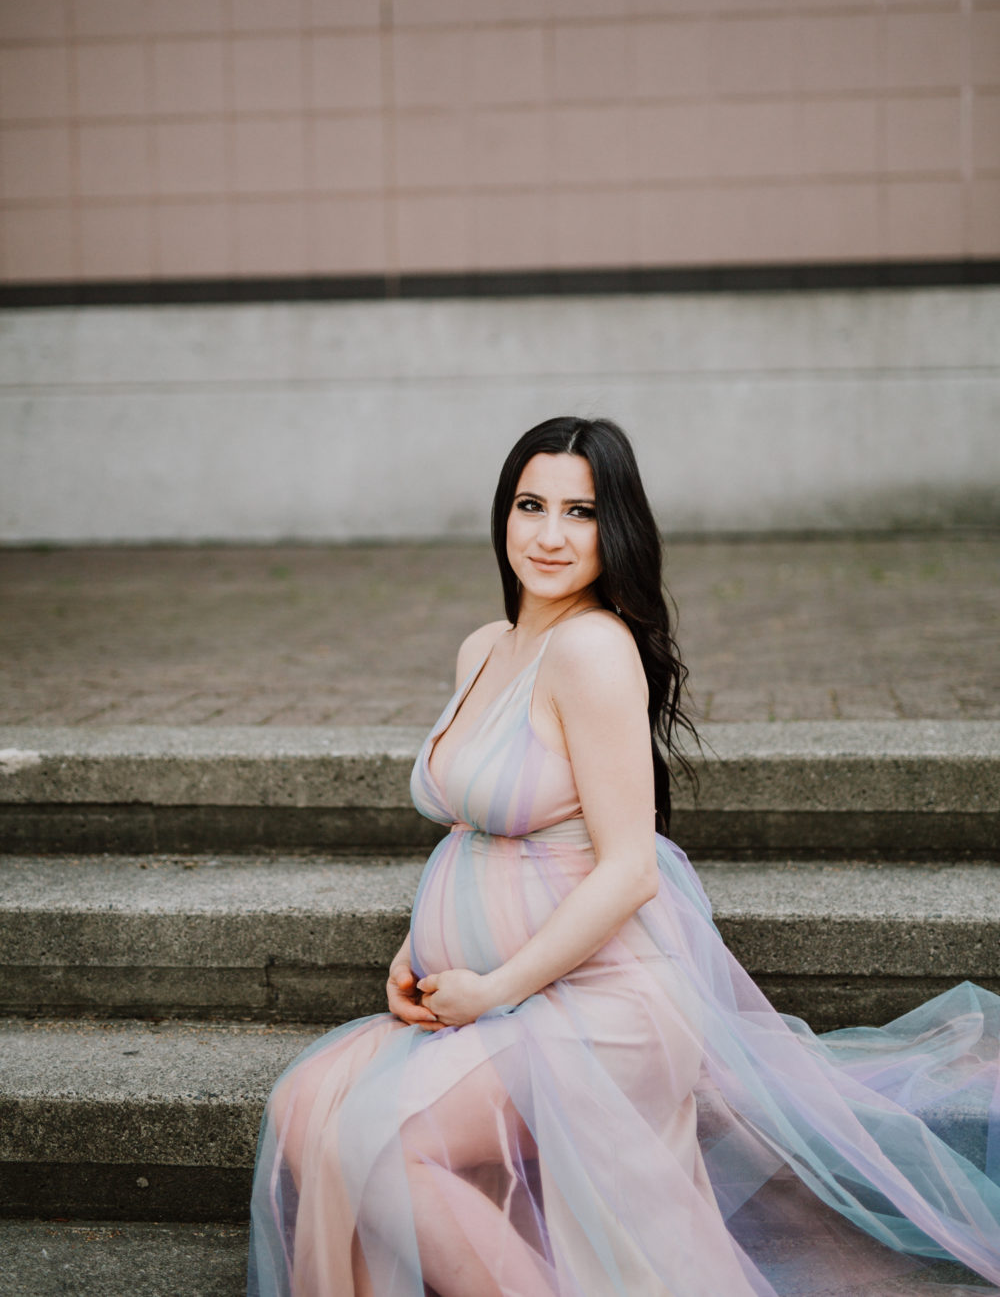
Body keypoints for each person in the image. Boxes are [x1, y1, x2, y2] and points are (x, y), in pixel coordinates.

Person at [248, 416, 1000, 1297]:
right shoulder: (486, 647)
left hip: (596, 1006)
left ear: (619, 532)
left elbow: (629, 868)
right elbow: (472, 830)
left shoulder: (593, 649)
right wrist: (412, 956)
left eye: (582, 512)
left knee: (380, 1145)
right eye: (532, 505)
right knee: (304, 1111)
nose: (551, 534)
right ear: (503, 515)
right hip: (494, 1002)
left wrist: (494, 986)